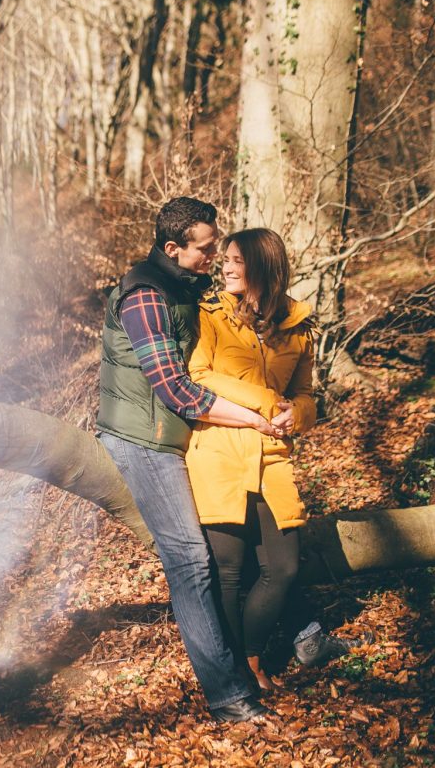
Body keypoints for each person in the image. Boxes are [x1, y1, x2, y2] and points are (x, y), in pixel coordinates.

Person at [97, 197, 284, 723]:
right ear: (173, 248)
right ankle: (228, 696)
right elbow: (178, 390)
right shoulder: (144, 296)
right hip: (144, 441)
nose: (215, 256)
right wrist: (252, 417)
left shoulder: (185, 285)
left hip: (181, 437)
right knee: (192, 560)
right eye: (206, 249)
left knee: (241, 549)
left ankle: (291, 637)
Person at [185, 227, 370, 691]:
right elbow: (199, 373)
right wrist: (267, 402)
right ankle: (240, 675)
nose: (225, 267)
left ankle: (248, 659)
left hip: (272, 455)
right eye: (224, 259)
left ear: (263, 267)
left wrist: (298, 413)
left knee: (283, 567)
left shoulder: (298, 327)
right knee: (227, 569)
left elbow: (306, 394)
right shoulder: (211, 316)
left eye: (235, 261)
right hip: (220, 449)